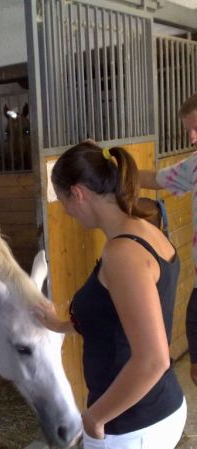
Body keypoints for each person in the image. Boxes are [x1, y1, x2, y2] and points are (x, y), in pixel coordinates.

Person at [35, 141, 186, 448]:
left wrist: (94, 418)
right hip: (152, 412)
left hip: (132, 425)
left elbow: (153, 360)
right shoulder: (146, 228)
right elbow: (115, 315)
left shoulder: (122, 253)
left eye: (64, 202)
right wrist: (58, 324)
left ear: (77, 193)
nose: (67, 212)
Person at [139, 93, 197, 387]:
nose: (192, 138)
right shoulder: (195, 166)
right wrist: (119, 172)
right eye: (189, 130)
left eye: (196, 128)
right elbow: (156, 179)